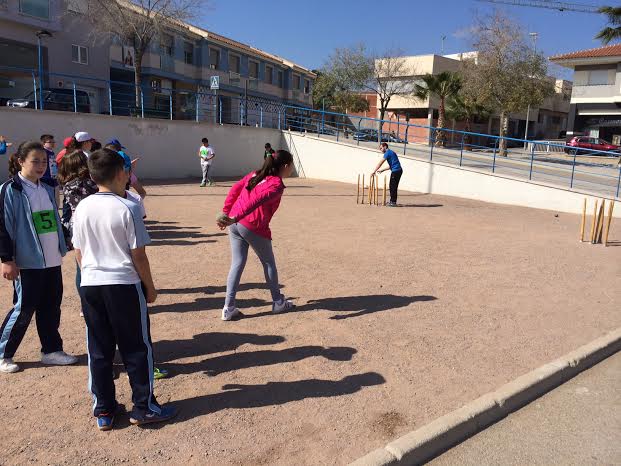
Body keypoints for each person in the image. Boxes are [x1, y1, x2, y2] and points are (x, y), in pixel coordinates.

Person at [72, 148, 176, 429]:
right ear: (121, 173)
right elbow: (138, 255)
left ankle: (104, 410)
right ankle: (144, 407)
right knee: (137, 347)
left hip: (91, 284)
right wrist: (150, 288)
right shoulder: (128, 207)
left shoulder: (83, 206)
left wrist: (88, 277)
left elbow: (78, 252)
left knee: (99, 349)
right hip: (123, 285)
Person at [0, 141, 78, 373]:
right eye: (35, 161)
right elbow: (2, 226)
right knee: (23, 308)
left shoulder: (45, 188)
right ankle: (3, 353)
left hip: (52, 260)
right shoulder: (10, 190)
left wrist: (65, 239)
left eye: (44, 161)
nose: (41, 165)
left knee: (51, 307)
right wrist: (6, 259)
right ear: (20, 161)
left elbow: (52, 219)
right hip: (27, 262)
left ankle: (51, 350)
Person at [217, 149, 295, 321]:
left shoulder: (255, 174)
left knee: (237, 263)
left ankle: (228, 308)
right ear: (285, 166)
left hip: (235, 223)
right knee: (269, 263)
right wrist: (234, 216)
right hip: (250, 224)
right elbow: (256, 201)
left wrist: (226, 214)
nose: (292, 169)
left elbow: (236, 189)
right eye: (291, 166)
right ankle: (278, 302)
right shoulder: (276, 184)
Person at [372, 142, 403, 207]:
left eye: (381, 148)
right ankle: (392, 201)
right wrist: (382, 170)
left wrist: (374, 171)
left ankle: (393, 202)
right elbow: (391, 165)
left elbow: (380, 163)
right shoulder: (391, 152)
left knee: (393, 186)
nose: (380, 150)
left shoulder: (388, 153)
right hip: (397, 171)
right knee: (392, 186)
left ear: (385, 147)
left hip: (396, 171)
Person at [40, 134, 60, 204]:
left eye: (53, 142)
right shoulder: (43, 152)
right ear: (43, 143)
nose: (53, 144)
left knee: (55, 200)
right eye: (50, 142)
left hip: (53, 178)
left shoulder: (51, 152)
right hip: (45, 178)